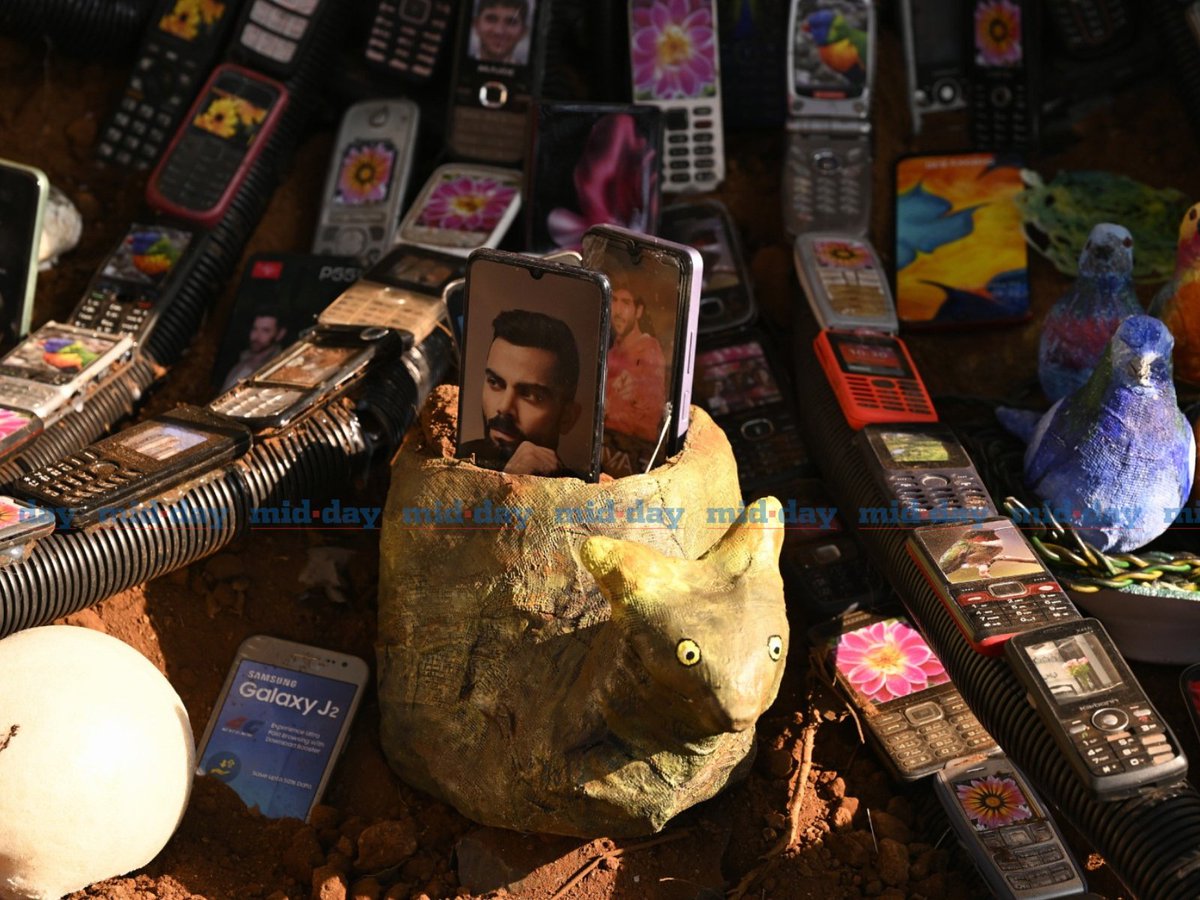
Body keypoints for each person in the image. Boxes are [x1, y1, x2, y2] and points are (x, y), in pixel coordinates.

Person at [459, 308, 582, 476]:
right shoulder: (454, 460)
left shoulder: (583, 495)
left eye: (530, 395)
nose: (504, 407)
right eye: (495, 383)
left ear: (567, 417)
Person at [604, 281, 666, 444]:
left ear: (638, 311)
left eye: (625, 303)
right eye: (614, 300)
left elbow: (649, 416)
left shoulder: (648, 351)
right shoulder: (610, 354)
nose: (617, 311)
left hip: (632, 451)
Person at [219, 310, 287, 392]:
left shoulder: (278, 368)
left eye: (265, 330)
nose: (256, 336)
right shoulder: (242, 358)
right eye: (255, 329)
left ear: (280, 334)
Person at [471, 0, 530, 64]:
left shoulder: (527, 73)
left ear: (523, 32)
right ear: (476, 25)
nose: (499, 31)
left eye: (511, 22)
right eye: (491, 19)